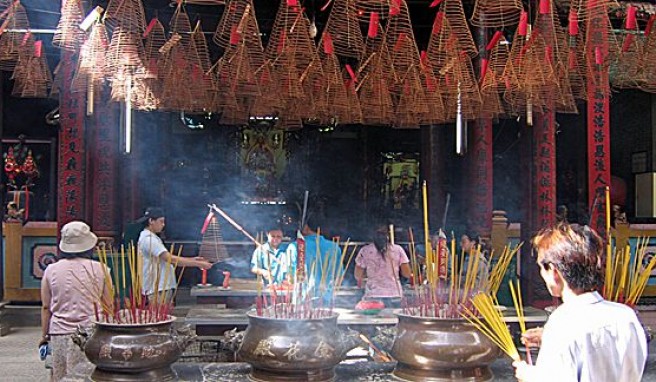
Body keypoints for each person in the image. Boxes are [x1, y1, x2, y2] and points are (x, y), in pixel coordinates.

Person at [513, 224, 647, 382]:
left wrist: (529, 375)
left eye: (541, 268)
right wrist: (547, 338)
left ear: (554, 271)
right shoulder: (625, 316)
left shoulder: (562, 323)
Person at [40, 221, 110, 381]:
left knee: (61, 375)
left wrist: (44, 337)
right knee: (90, 376)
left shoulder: (51, 270)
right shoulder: (101, 269)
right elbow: (108, 306)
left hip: (59, 333)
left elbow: (46, 307)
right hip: (91, 334)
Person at [137, 207, 212, 304]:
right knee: (160, 316)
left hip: (161, 286)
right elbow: (170, 259)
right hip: (157, 287)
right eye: (161, 221)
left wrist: (193, 259)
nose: (163, 225)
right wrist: (197, 263)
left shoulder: (152, 237)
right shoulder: (148, 239)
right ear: (151, 221)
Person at [354, 226, 411, 307]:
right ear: (389, 235)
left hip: (373, 294)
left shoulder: (365, 250)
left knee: (373, 319)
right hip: (394, 294)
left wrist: (370, 274)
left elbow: (358, 275)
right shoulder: (398, 250)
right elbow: (407, 274)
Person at [287, 217, 343, 294]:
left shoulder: (295, 247)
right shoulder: (334, 247)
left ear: (306, 228)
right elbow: (339, 277)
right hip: (328, 298)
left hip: (302, 298)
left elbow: (291, 279)